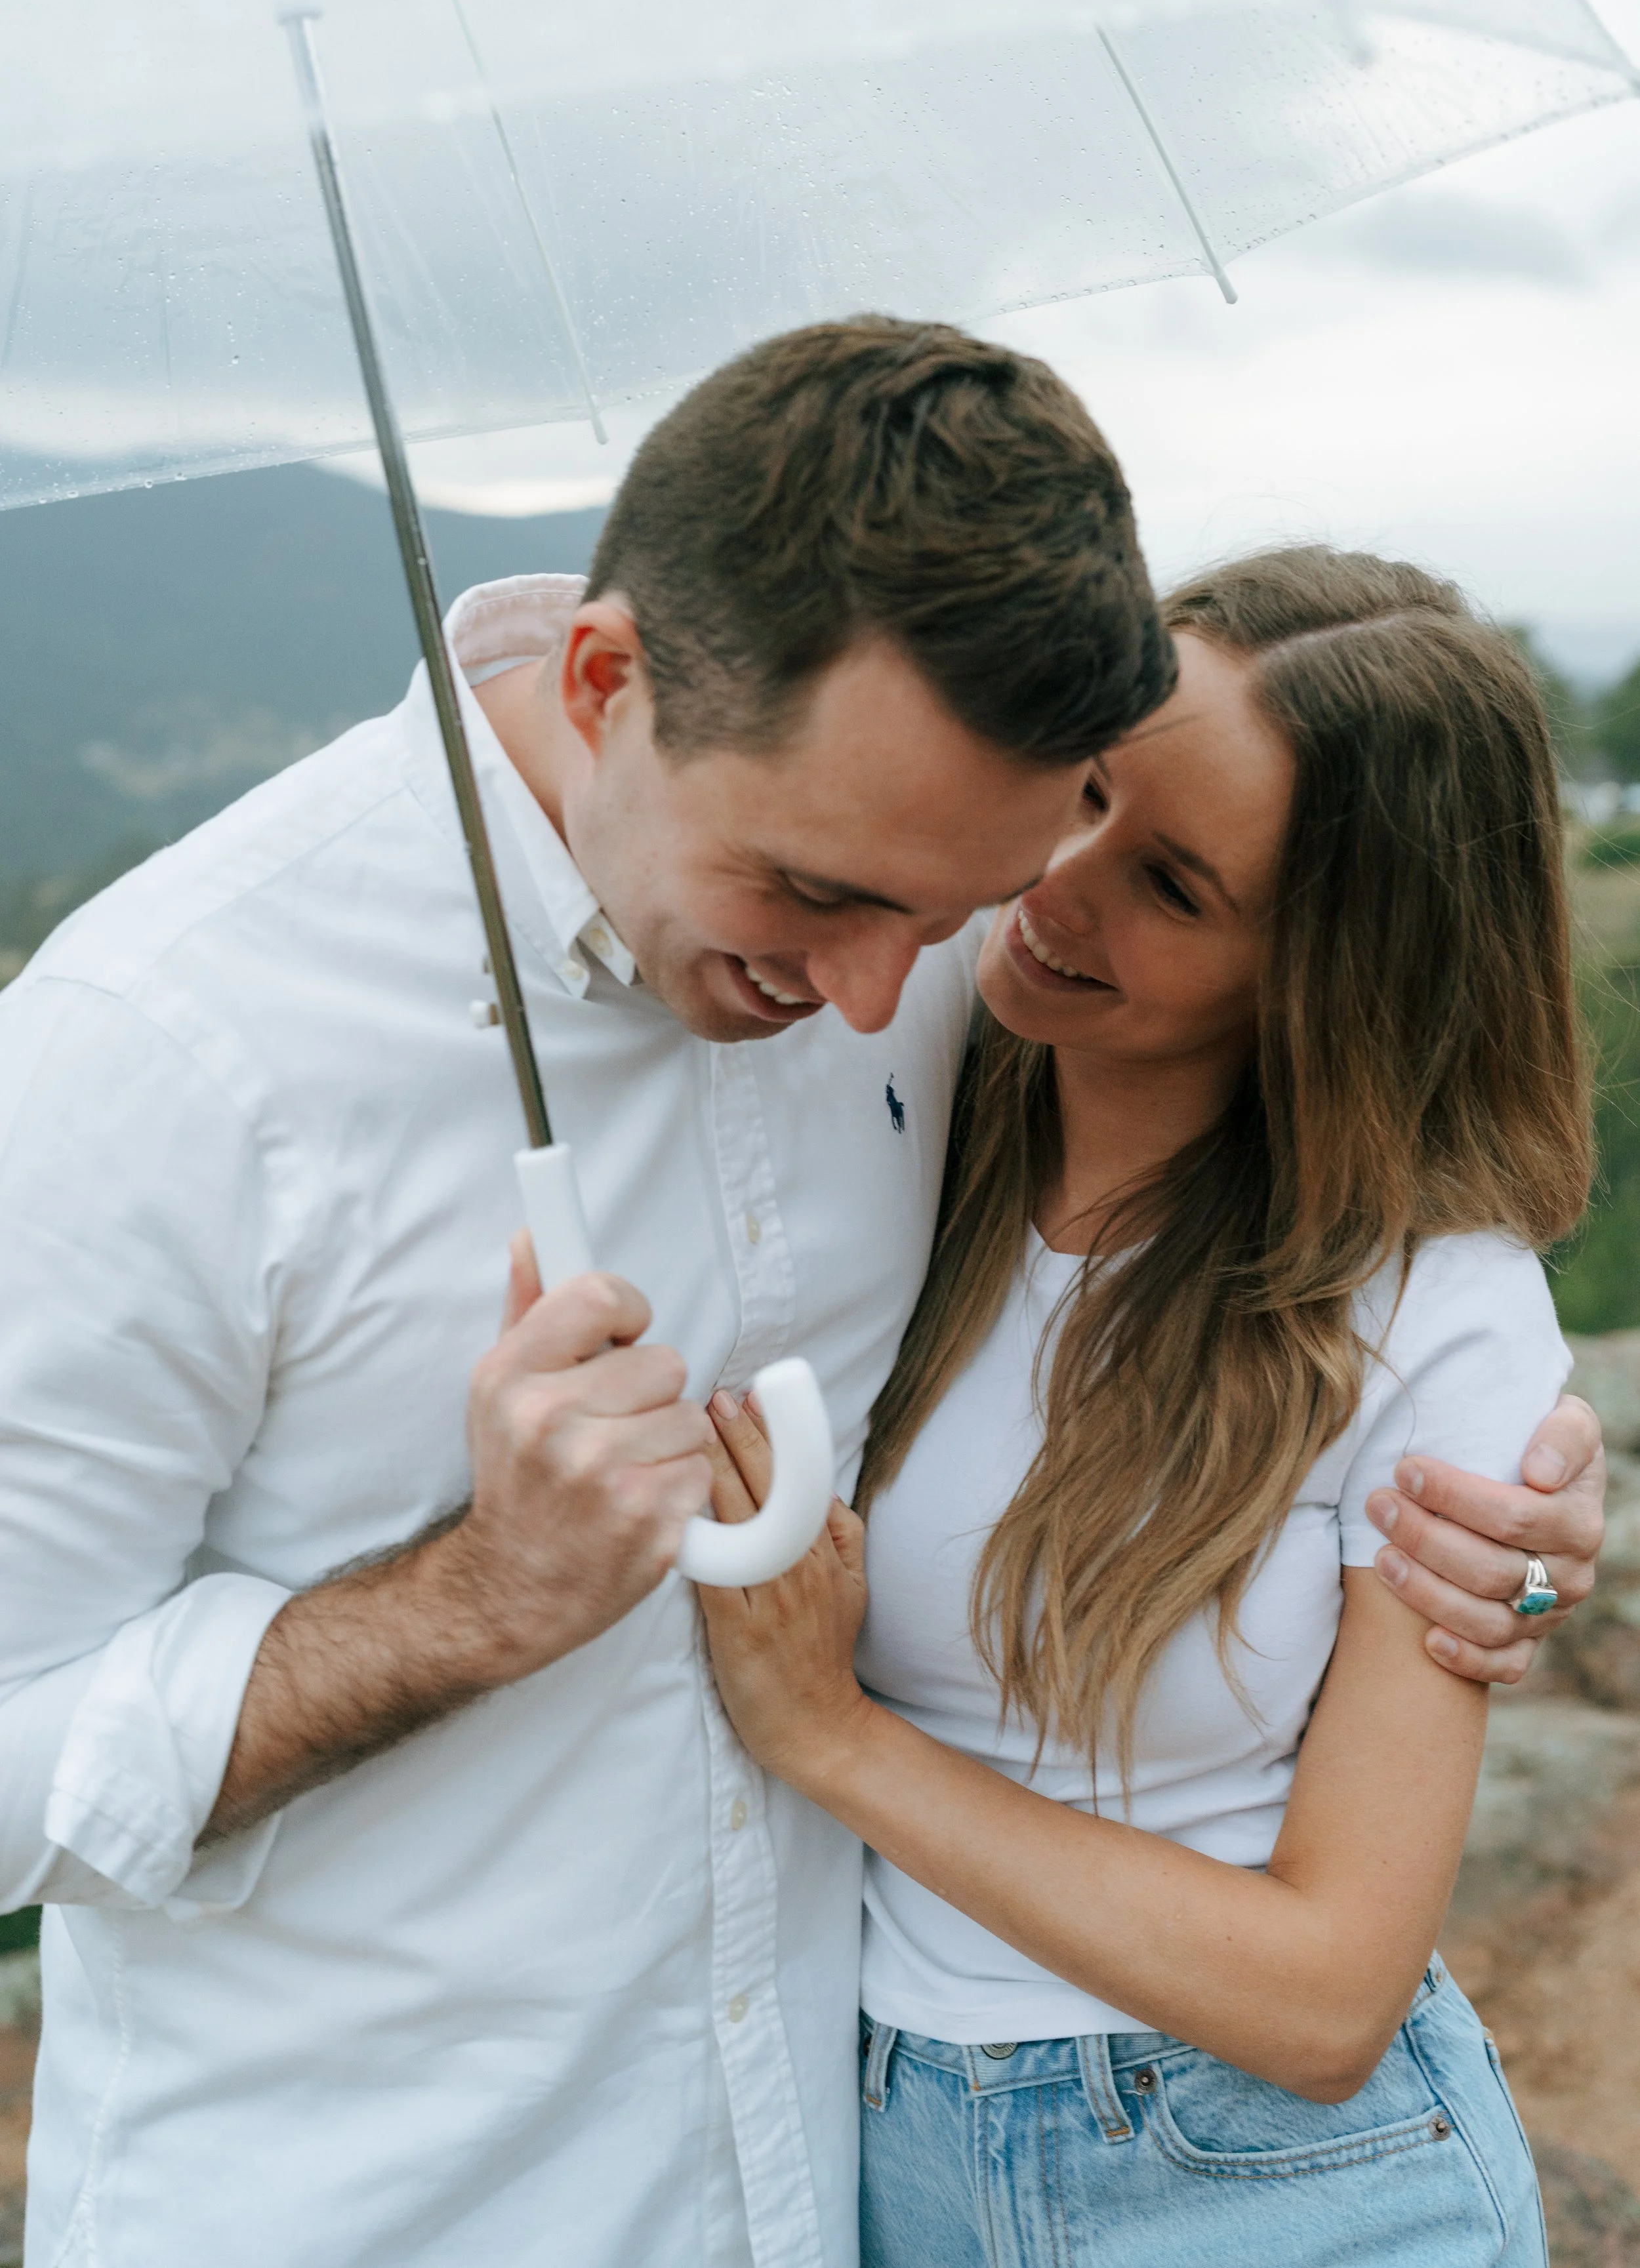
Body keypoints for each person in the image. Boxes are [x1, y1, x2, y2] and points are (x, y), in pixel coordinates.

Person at [0, 317, 1597, 2268]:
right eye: (820, 896)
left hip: (818, 2198)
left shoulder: (956, 941)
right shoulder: (163, 1047)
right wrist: (469, 1600)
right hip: (374, 2211)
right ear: (605, 681)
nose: (875, 996)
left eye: (944, 911)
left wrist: (1496, 1505)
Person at [697, 548, 1591, 2268]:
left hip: (1265, 2184)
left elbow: (1331, 1990)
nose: (1056, 880)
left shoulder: (1428, 1309)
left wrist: (833, 1738)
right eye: (1084, 783)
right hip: (879, 2146)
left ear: (1328, 974)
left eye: (1171, 884)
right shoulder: (907, 1068)